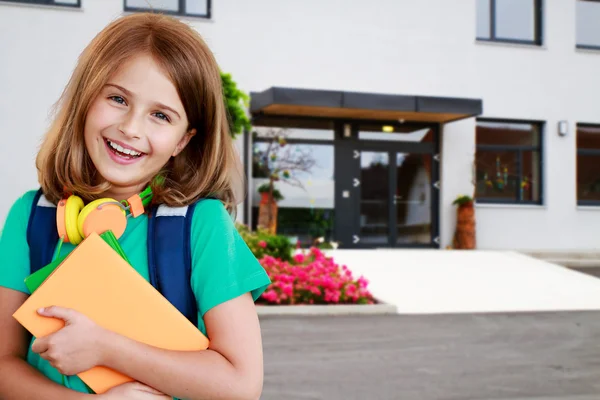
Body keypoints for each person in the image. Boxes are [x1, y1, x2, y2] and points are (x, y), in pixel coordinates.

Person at [0, 12, 271, 400]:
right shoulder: (31, 217)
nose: (131, 127)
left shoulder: (201, 225)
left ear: (182, 140)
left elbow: (241, 386)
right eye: (117, 99)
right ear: (85, 101)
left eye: (160, 115)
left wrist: (107, 347)